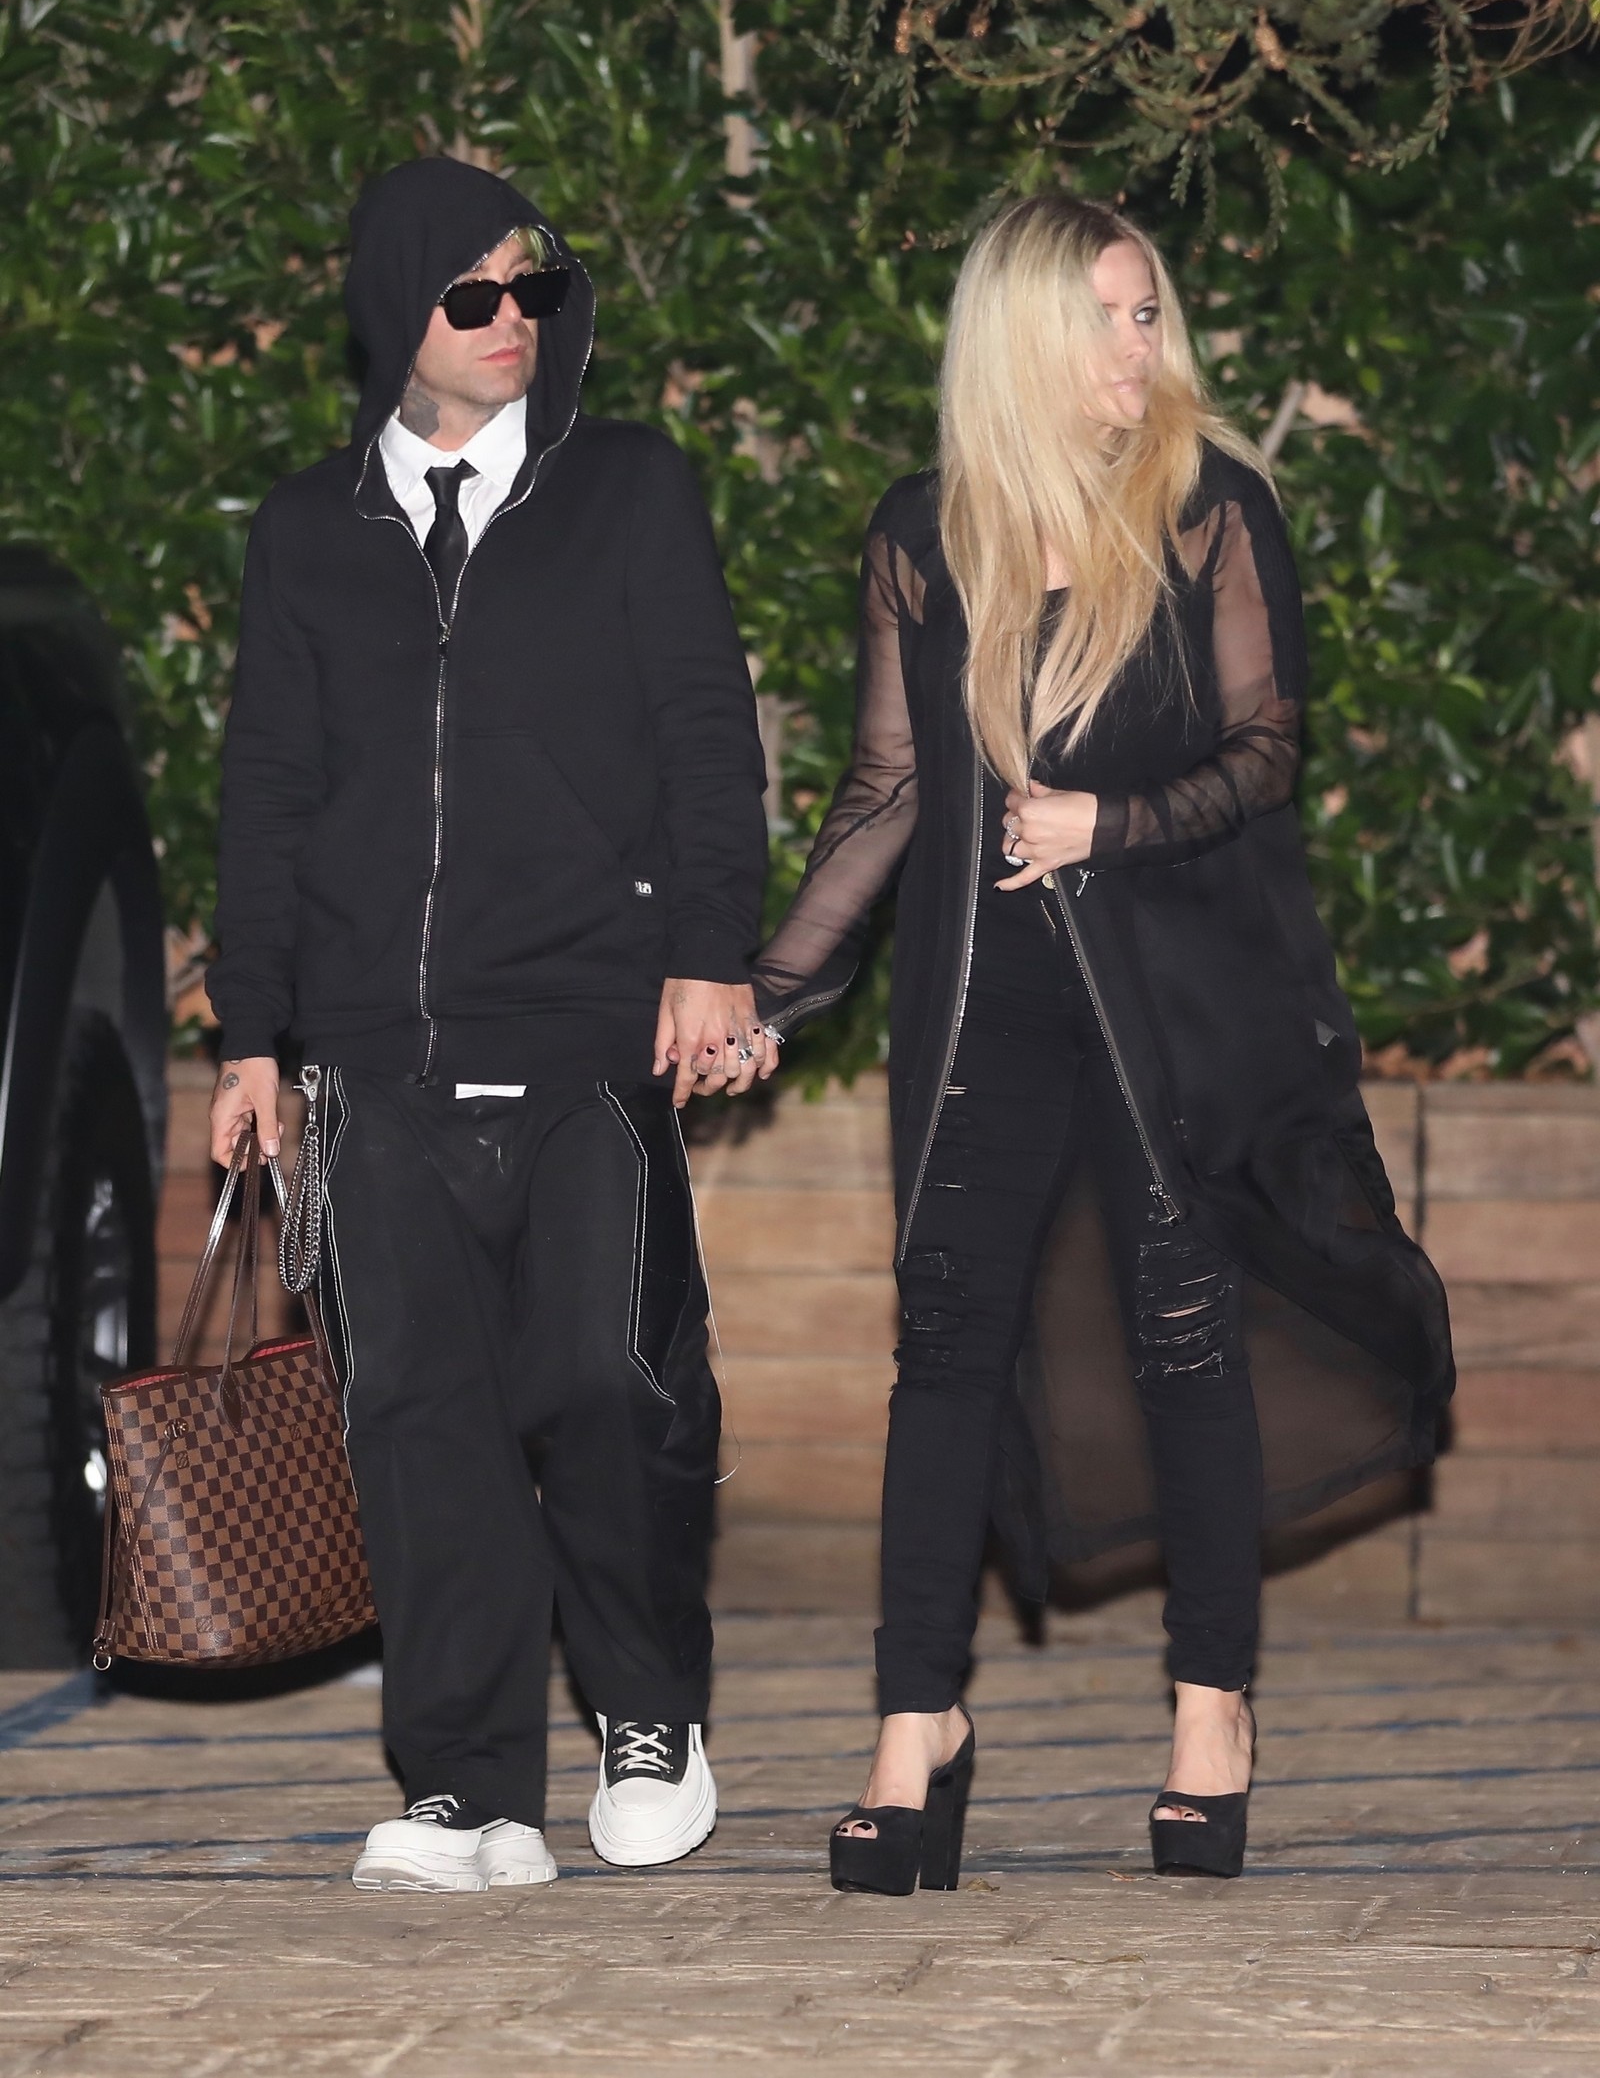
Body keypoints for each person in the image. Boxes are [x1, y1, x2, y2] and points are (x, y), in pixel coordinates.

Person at [751, 193, 1454, 1892]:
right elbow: (890, 788)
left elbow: (1268, 748)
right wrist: (767, 992)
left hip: (1171, 1003)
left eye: (1150, 312)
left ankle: (1213, 1714)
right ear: (1022, 338)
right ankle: (915, 1727)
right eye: (1108, 318)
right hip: (986, 1000)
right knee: (946, 1345)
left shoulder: (1209, 508)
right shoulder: (925, 532)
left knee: (1185, 1330)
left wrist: (1102, 822)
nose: (1143, 347)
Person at [207, 155, 776, 1892]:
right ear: (402, 313)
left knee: (608, 1376)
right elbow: (267, 791)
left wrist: (714, 951)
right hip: (373, 1050)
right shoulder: (308, 531)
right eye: (475, 294)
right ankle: (466, 1789)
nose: (514, 318)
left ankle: (648, 1705)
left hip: (590, 1025)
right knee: (421, 1414)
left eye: (535, 284)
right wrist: (252, 1034)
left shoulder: (630, 488)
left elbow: (707, 729)